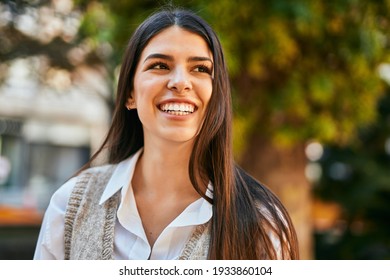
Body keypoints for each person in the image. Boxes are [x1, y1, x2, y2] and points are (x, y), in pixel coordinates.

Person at [34, 7, 299, 260]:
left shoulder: (262, 223)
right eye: (160, 65)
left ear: (217, 95)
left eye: (200, 69)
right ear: (130, 93)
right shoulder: (69, 205)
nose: (181, 82)